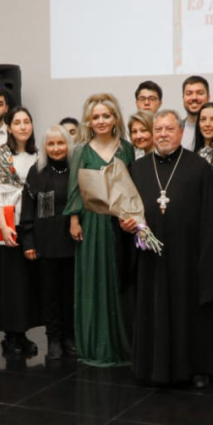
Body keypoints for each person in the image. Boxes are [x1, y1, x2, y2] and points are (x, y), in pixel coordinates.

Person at [127, 110, 213, 388]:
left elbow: (212, 217)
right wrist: (126, 224)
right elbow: (126, 209)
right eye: (158, 129)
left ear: (181, 132)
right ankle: (153, 368)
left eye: (169, 129)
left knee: (190, 312)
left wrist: (207, 257)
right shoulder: (138, 168)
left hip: (188, 257)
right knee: (153, 308)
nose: (163, 134)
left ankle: (196, 368)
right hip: (150, 257)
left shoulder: (199, 167)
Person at [66, 93, 135, 366]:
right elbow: (74, 189)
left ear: (115, 118)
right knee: (93, 281)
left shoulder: (126, 149)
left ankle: (120, 344)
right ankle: (95, 345)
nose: (101, 120)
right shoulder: (81, 151)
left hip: (119, 224)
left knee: (118, 280)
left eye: (106, 115)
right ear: (89, 121)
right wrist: (74, 220)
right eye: (96, 117)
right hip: (92, 223)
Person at [19, 125, 77, 360]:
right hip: (45, 243)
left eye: (60, 143)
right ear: (44, 147)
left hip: (73, 242)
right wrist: (29, 242)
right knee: (50, 295)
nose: (56, 148)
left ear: (68, 145)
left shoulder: (76, 169)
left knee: (70, 294)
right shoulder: (37, 171)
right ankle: (53, 339)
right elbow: (28, 209)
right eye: (51, 144)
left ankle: (70, 337)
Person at [0, 106, 42, 356]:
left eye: (26, 122)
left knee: (29, 282)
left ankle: (24, 333)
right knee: (11, 282)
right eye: (17, 122)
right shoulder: (2, 155)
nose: (23, 126)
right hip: (10, 223)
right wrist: (4, 226)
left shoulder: (38, 155)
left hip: (33, 225)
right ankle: (12, 335)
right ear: (9, 128)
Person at [181, 76, 210, 151]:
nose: (194, 98)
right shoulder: (175, 128)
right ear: (183, 98)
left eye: (200, 93)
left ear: (208, 97)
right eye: (189, 93)